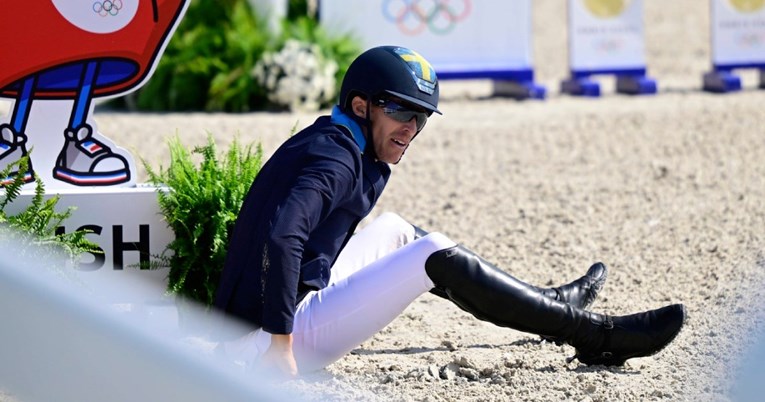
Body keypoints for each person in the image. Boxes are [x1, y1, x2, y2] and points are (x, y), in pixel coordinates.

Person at [213, 46, 685, 376]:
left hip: (285, 310)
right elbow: (282, 237)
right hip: (265, 343)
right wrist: (280, 345)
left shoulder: (346, 144)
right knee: (432, 252)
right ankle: (594, 336)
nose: (411, 129)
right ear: (361, 106)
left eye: (419, 119)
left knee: (400, 231)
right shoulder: (334, 159)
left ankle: (550, 305)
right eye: (400, 112)